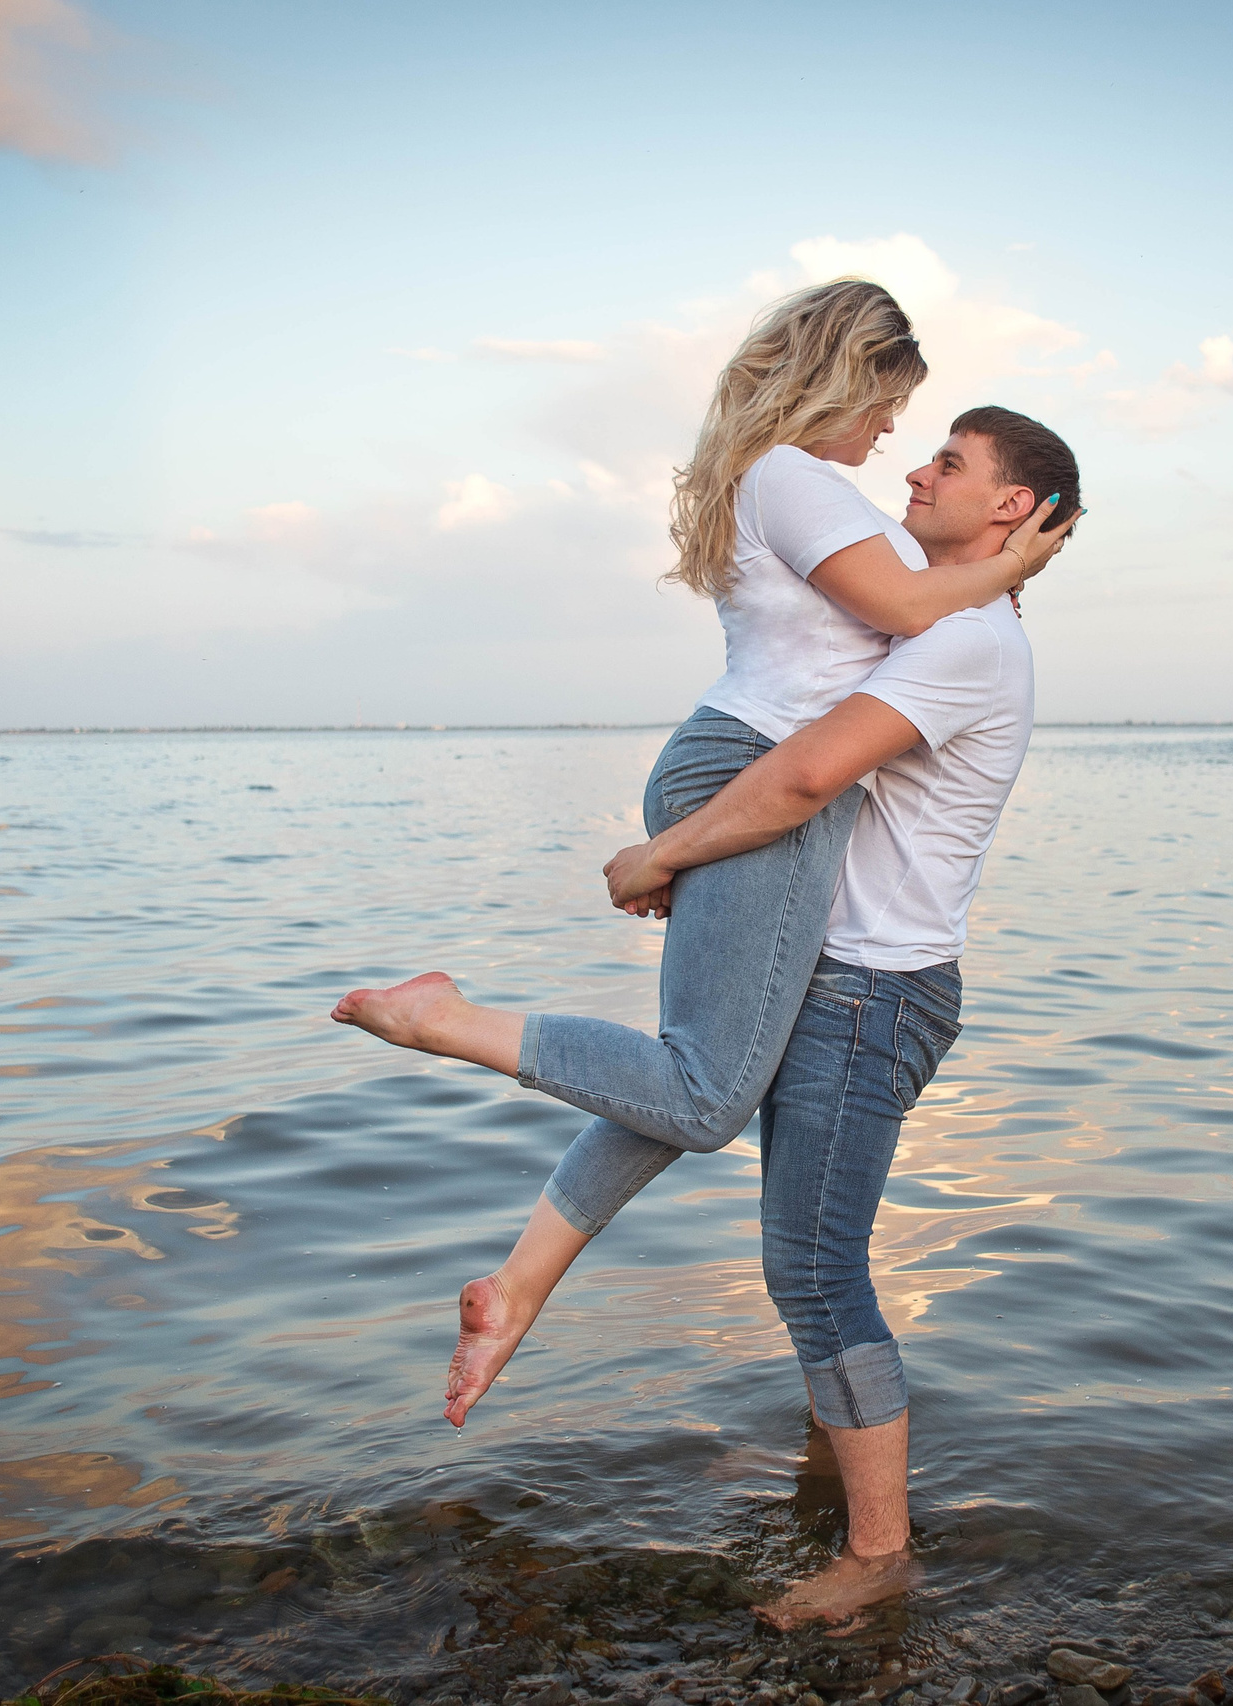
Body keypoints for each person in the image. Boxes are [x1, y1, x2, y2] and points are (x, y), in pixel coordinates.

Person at [366, 404, 1080, 1629]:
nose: (917, 466)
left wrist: (662, 852)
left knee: (809, 1261)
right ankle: (825, 1459)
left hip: (871, 991)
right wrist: (710, 872)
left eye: (950, 462)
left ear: (1012, 508)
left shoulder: (965, 645)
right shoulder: (940, 624)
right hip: (824, 963)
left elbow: (804, 773)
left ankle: (877, 1552)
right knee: (685, 1096)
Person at [330, 283, 1067, 1382]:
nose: (893, 439)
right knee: (707, 1089)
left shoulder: (786, 482)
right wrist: (1016, 567)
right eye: (889, 404)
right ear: (844, 374)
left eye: (930, 443)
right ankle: (448, 1019)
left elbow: (914, 615)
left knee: (696, 1074)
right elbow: (909, 614)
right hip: (760, 769)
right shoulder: (793, 477)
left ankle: (517, 1285)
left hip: (737, 763)